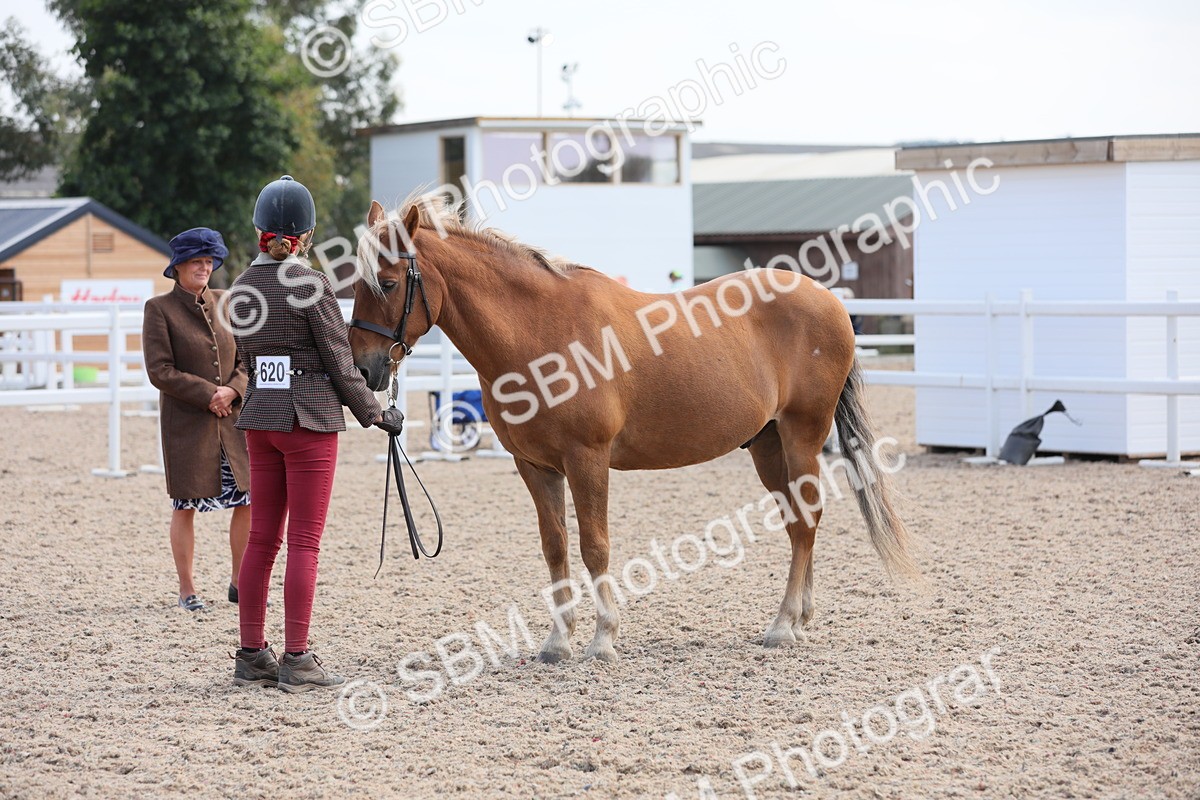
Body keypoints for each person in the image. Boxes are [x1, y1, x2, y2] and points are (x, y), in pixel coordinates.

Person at [230, 176, 400, 691]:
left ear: (260, 230)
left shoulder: (242, 287)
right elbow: (340, 362)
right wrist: (376, 413)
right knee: (304, 542)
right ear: (306, 235)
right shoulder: (313, 284)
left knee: (262, 539)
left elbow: (246, 359)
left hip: (261, 420)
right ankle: (297, 658)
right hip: (309, 422)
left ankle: (252, 652)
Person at [142, 228, 252, 612]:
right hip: (188, 425)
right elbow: (160, 370)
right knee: (185, 504)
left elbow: (245, 360)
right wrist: (210, 394)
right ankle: (187, 589)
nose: (204, 267)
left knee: (247, 498)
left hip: (233, 421)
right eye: (196, 262)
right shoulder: (158, 309)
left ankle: (240, 582)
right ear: (178, 267)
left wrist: (234, 390)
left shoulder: (227, 301)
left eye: (208, 261)